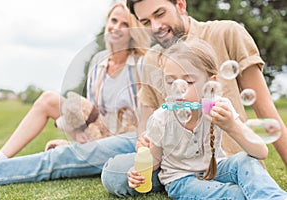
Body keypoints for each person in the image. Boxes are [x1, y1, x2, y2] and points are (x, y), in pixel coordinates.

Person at [101, 0, 287, 197]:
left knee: (246, 163)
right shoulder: (159, 93)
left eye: (160, 13)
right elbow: (150, 143)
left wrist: (232, 125)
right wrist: (143, 151)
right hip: (179, 174)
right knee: (114, 173)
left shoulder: (226, 34)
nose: (155, 27)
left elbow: (265, 126)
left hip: (219, 165)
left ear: (181, 5)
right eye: (146, 22)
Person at [0, 2, 151, 186]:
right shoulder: (99, 61)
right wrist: (79, 128)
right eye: (114, 21)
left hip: (125, 140)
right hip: (99, 133)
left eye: (125, 24)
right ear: (107, 23)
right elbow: (93, 109)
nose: (116, 28)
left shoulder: (142, 64)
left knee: (55, 156)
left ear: (134, 32)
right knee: (49, 99)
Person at [128, 40, 287, 200]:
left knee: (246, 162)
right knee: (234, 194)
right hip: (182, 180)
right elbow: (155, 159)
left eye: (188, 82)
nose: (178, 89)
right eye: (170, 82)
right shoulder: (161, 119)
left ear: (210, 84)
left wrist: (231, 125)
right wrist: (139, 171)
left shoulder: (218, 106)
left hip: (216, 168)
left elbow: (261, 152)